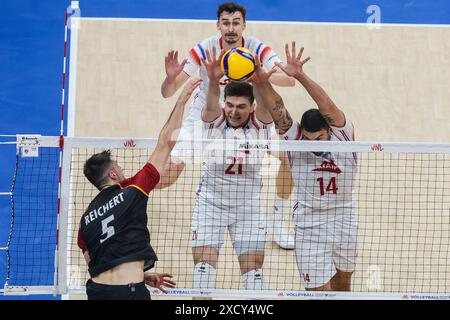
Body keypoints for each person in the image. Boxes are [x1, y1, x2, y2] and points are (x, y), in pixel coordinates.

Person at [161, 1, 295, 250]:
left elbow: (289, 80)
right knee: (169, 173)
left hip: (246, 116)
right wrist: (170, 79)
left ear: (244, 25)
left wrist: (259, 74)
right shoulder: (205, 49)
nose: (231, 28)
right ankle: (130, 193)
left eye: (236, 23)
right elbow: (167, 92)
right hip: (208, 114)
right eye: (226, 23)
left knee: (288, 158)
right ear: (218, 25)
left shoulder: (256, 48)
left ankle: (276, 219)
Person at [77, 79, 202, 300]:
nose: (122, 168)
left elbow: (93, 262)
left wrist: (141, 275)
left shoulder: (86, 219)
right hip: (130, 292)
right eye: (118, 166)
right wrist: (182, 100)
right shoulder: (133, 191)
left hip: (97, 292)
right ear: (113, 175)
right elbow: (165, 143)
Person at [252, 42, 358, 291]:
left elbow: (328, 107)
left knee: (343, 288)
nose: (313, 145)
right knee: (319, 294)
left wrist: (300, 75)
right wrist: (260, 82)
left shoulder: (344, 136)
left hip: (345, 218)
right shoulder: (296, 142)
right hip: (310, 225)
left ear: (329, 131)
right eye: (308, 139)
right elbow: (278, 109)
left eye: (318, 139)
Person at [190, 48, 274, 292]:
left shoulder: (260, 127)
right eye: (230, 105)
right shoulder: (214, 122)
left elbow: (267, 108)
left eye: (241, 106)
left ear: (251, 107)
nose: (234, 111)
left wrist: (259, 80)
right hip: (211, 204)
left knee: (255, 275)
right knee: (203, 273)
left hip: (248, 208)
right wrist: (214, 80)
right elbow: (210, 107)